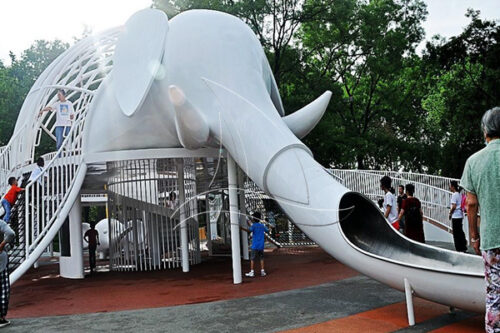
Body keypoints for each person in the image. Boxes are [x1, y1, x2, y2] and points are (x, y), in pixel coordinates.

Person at [460, 106, 500, 332]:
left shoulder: (474, 162)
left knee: (494, 295)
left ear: (485, 132)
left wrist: (474, 236)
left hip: (492, 239)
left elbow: (471, 203)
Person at [242, 212, 268, 277]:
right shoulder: (262, 226)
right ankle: (262, 271)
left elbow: (249, 230)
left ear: (254, 218)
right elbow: (267, 230)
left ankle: (252, 271)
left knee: (252, 258)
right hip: (261, 245)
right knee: (261, 258)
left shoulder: (253, 226)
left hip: (255, 245)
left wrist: (242, 228)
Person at [0, 219, 15, 327]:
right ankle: (1, 317)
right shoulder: (0, 223)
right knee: (3, 290)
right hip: (1, 261)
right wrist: (2, 245)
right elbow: (11, 233)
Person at [449, 180, 467, 252]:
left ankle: (459, 248)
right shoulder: (459, 194)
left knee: (456, 233)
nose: (449, 187)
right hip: (460, 215)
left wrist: (450, 213)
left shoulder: (454, 195)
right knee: (460, 231)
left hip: (455, 215)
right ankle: (463, 247)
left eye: (450, 185)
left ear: (452, 186)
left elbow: (454, 206)